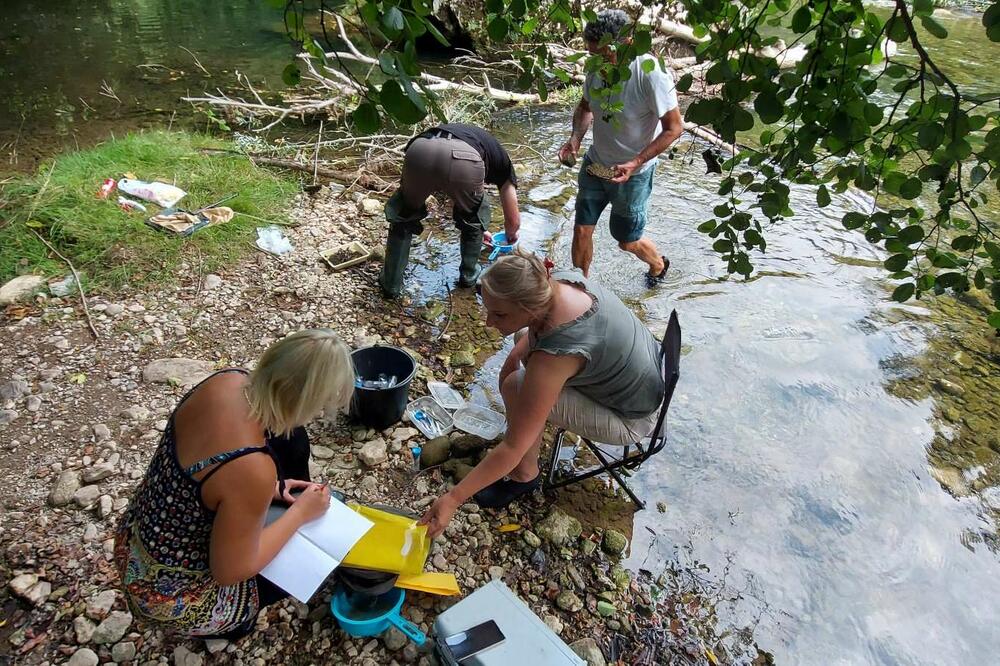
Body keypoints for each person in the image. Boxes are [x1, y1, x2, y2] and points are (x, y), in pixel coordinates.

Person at [113, 329, 354, 638]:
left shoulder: (229, 380)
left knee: (292, 443)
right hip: (165, 596)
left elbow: (210, 472)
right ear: (304, 402)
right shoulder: (252, 467)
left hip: (136, 538)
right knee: (312, 557)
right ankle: (230, 625)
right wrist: (300, 514)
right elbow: (231, 572)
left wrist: (274, 488)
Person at [419, 251, 665, 537]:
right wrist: (515, 353)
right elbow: (535, 334)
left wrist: (452, 499)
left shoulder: (556, 353)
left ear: (530, 308)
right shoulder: (552, 281)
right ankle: (528, 438)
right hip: (646, 377)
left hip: (632, 418)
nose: (488, 322)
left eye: (499, 314)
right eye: (488, 309)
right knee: (520, 338)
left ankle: (525, 476)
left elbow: (512, 446)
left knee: (515, 386)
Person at [557, 9, 684, 285]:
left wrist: (636, 162)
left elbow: (675, 128)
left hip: (632, 175)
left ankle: (658, 265)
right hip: (596, 164)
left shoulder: (651, 74)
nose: (598, 61)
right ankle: (582, 289)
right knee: (581, 230)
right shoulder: (595, 69)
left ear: (626, 44)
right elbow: (585, 108)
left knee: (627, 241)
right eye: (593, 55)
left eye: (603, 54)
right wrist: (576, 138)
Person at [379, 123, 522, 298]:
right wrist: (510, 235)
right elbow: (513, 221)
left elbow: (444, 178)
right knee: (474, 217)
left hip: (419, 149)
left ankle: (391, 284)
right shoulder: (504, 163)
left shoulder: (475, 137)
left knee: (404, 215)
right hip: (465, 158)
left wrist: (483, 230)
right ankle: (468, 276)